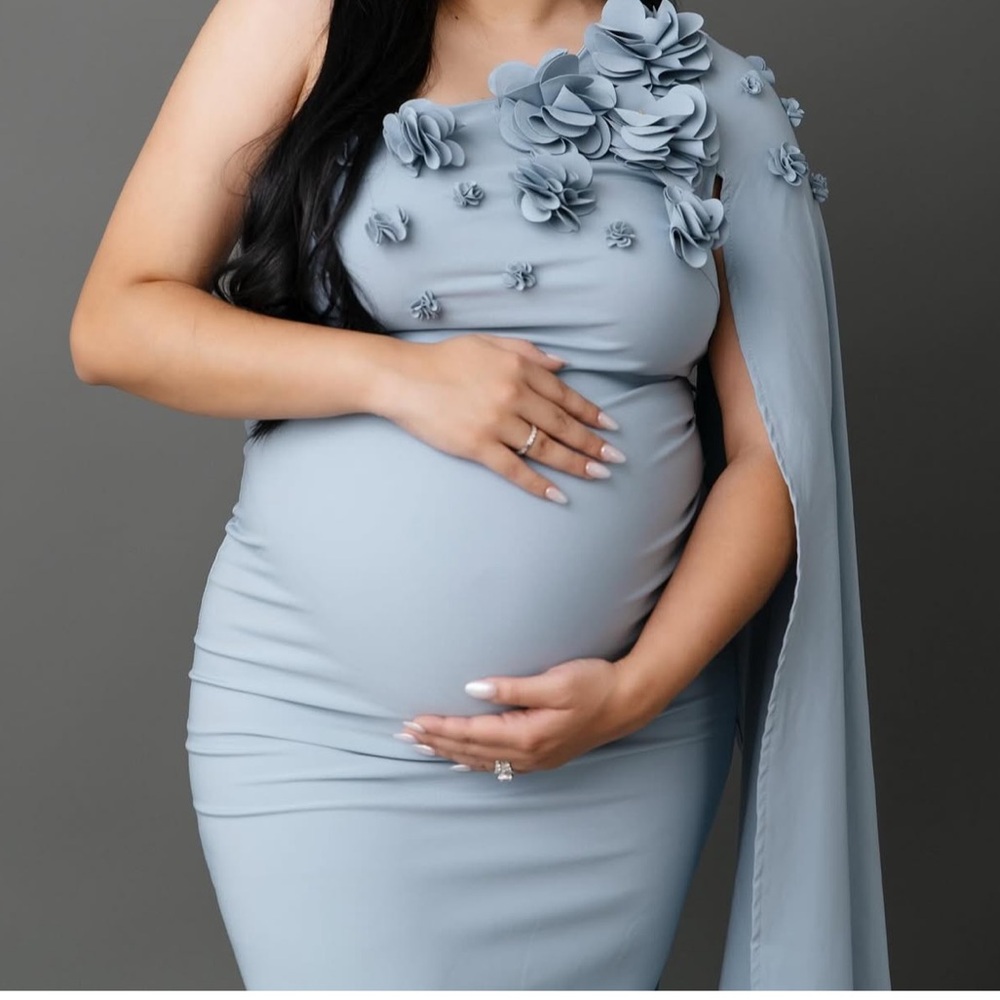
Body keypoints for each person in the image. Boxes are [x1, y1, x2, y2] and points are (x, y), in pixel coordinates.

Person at [69, 0, 891, 989]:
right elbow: (115, 324)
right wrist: (398, 378)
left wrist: (633, 692)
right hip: (322, 727)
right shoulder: (299, 19)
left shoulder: (709, 91)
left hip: (620, 745)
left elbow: (776, 459)